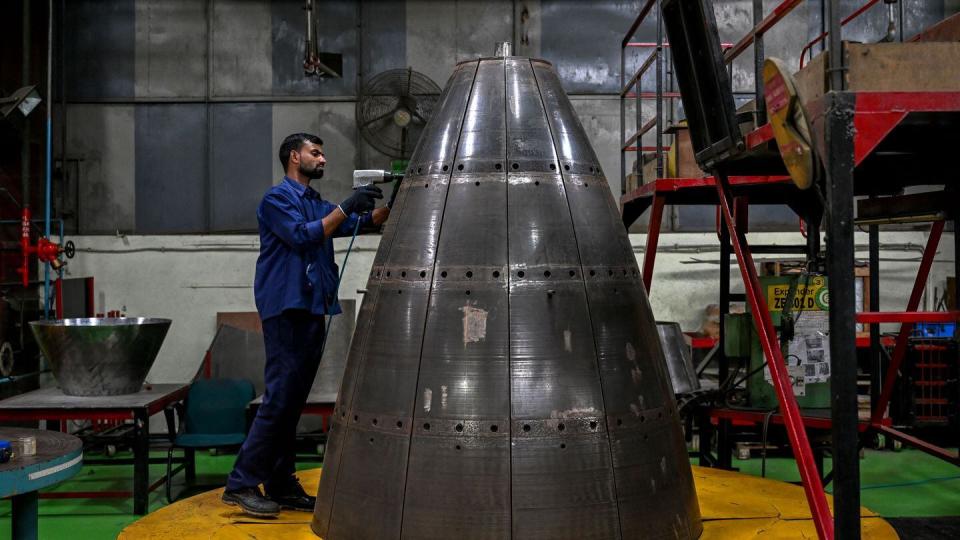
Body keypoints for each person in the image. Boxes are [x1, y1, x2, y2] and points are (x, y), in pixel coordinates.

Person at [222, 133, 389, 517]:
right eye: (316, 152)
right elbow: (302, 236)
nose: (324, 159)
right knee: (280, 398)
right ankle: (241, 482)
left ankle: (279, 483)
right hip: (286, 306)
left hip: (313, 307)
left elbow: (348, 225)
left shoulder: (316, 202)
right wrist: (347, 209)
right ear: (294, 157)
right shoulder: (277, 199)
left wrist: (384, 212)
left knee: (292, 403)